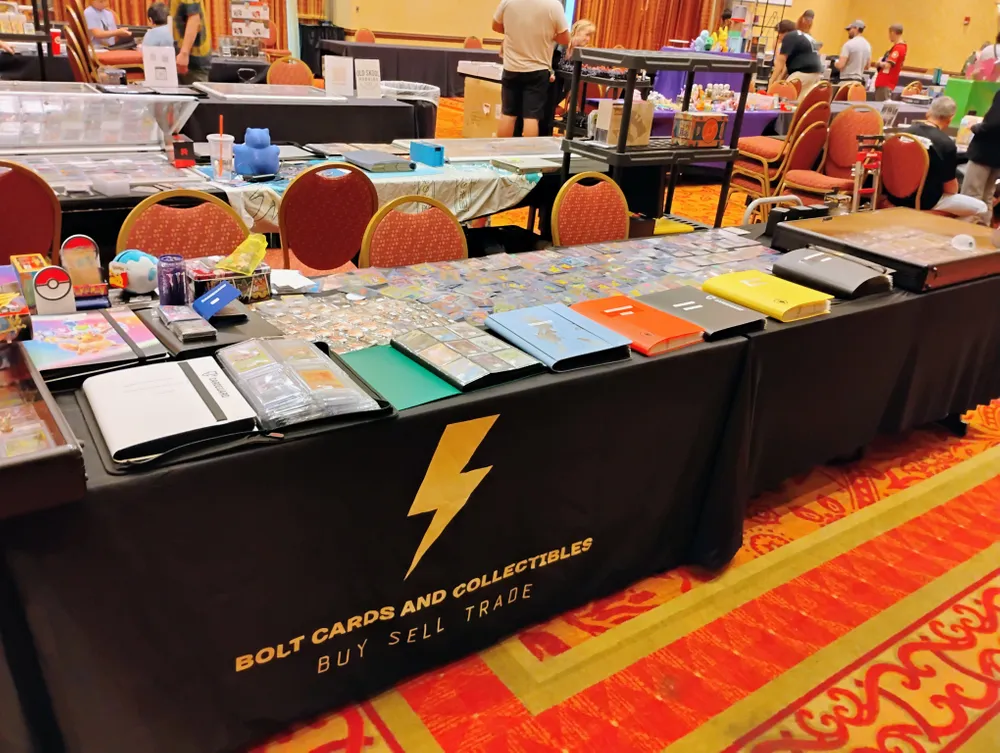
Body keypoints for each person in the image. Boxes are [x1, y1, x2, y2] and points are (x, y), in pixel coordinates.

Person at [896, 97, 987, 219]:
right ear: (950, 118)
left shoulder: (904, 133)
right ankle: (919, 217)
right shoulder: (946, 144)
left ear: (929, 112)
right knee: (981, 207)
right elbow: (950, 190)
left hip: (896, 195)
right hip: (924, 200)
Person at [492, 0, 569, 138]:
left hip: (511, 67)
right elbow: (565, 39)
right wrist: (548, 35)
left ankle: (501, 149)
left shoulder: (508, 1)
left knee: (508, 114)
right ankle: (528, 151)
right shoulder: (553, 4)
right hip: (538, 69)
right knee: (531, 117)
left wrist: (515, 32)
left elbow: (495, 26)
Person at [960, 89, 1000, 224]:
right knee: (987, 196)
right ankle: (982, 230)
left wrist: (976, 127)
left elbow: (994, 123)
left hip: (985, 151)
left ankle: (966, 231)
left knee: (971, 196)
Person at [769, 18, 823, 97]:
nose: (779, 36)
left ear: (786, 31)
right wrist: (780, 79)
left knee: (783, 96)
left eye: (780, 32)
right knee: (799, 101)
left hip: (802, 74)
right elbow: (786, 66)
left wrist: (772, 81)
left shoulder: (789, 37)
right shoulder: (804, 36)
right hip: (815, 74)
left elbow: (781, 62)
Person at [170, 0, 211, 84]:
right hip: (183, 56)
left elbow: (194, 18)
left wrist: (184, 53)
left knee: (196, 90)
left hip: (192, 58)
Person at [874, 23, 907, 101]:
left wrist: (878, 63)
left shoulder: (899, 48)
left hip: (885, 83)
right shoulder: (900, 47)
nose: (889, 36)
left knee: (881, 105)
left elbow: (888, 65)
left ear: (892, 33)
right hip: (885, 82)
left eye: (889, 34)